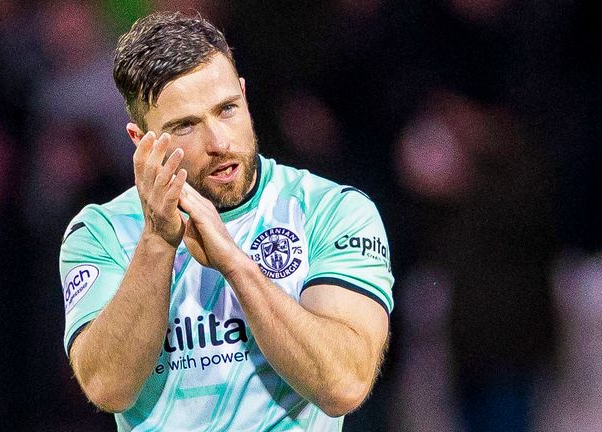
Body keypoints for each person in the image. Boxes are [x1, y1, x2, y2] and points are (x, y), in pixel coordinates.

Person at [59, 11, 394, 431]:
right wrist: (158, 243)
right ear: (141, 141)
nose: (218, 142)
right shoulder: (100, 233)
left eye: (226, 110)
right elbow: (108, 387)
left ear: (244, 94)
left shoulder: (331, 210)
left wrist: (235, 264)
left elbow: (343, 384)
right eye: (185, 126)